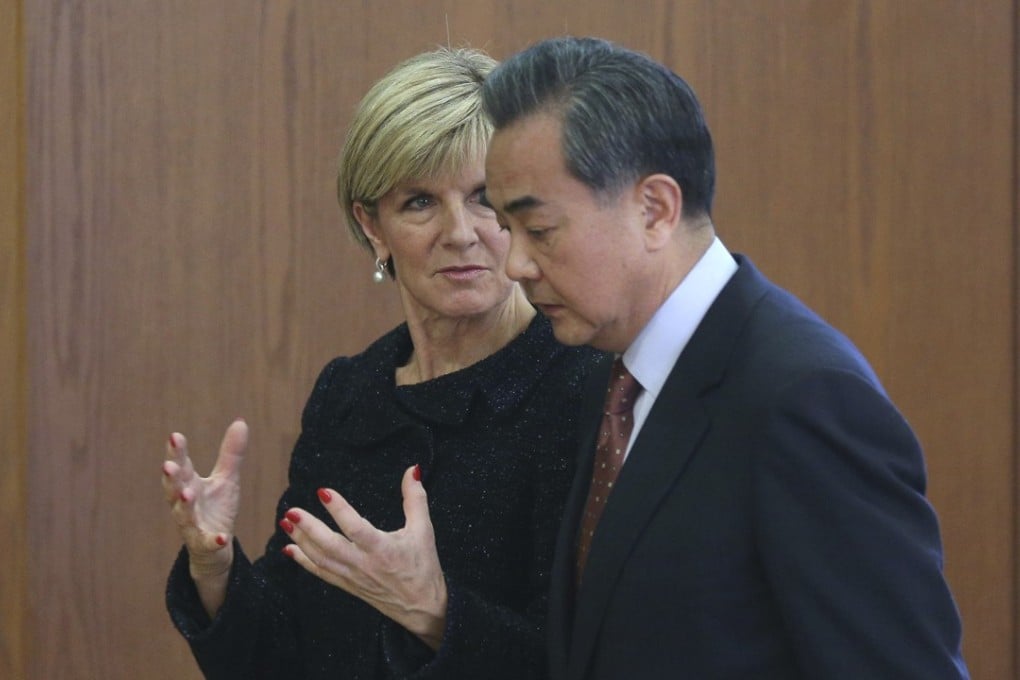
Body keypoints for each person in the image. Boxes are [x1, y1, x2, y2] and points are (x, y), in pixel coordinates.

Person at [482, 36, 969, 679]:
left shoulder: (803, 397)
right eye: (507, 232)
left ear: (655, 209)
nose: (515, 265)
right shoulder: (611, 372)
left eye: (538, 230)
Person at [161, 47, 602, 680]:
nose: (460, 232)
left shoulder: (584, 388)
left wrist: (433, 612)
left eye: (485, 198)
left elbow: (593, 658)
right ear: (372, 226)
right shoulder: (350, 394)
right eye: (419, 202)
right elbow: (277, 657)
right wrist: (214, 567)